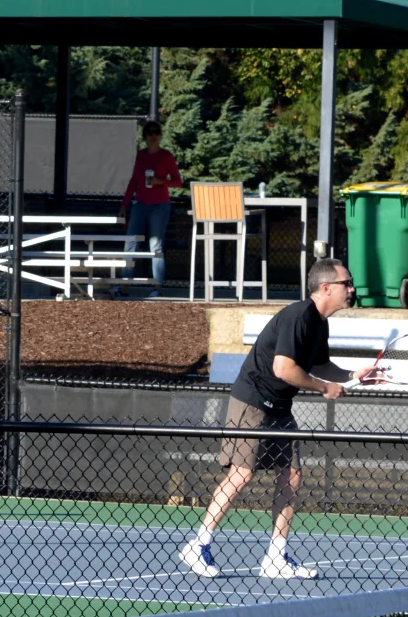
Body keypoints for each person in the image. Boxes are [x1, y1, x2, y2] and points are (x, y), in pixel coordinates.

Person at [180, 259, 356, 579]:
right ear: (325, 288)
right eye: (347, 283)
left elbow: (321, 365)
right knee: (242, 474)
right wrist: (323, 388)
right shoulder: (298, 316)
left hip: (280, 407)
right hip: (252, 401)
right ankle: (198, 544)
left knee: (292, 475)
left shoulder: (319, 323)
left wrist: (353, 375)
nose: (352, 288)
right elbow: (283, 369)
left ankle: (275, 557)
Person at [118, 120, 182, 293]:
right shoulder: (141, 155)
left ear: (160, 136)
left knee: (156, 244)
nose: (153, 136)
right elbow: (134, 181)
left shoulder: (166, 156)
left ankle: (157, 285)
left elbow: (178, 182)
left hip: (159, 205)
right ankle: (124, 284)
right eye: (150, 133)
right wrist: (124, 204)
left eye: (156, 132)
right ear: (145, 136)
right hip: (140, 204)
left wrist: (161, 181)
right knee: (131, 242)